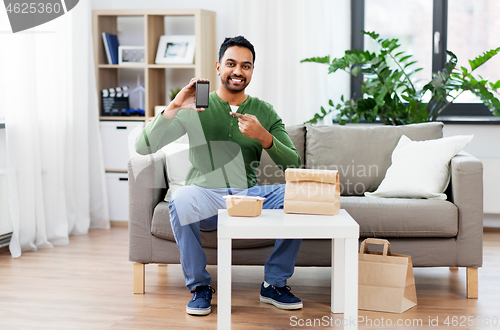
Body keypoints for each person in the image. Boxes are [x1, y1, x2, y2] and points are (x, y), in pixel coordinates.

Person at [135, 36, 303, 316]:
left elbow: (294, 164)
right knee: (182, 198)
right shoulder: (194, 107)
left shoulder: (264, 111)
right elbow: (144, 147)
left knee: (298, 195)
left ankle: (274, 284)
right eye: (231, 64)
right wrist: (175, 105)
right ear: (218, 67)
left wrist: (264, 136)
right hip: (204, 197)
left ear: (251, 71)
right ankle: (200, 287)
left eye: (246, 66)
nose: (238, 71)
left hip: (247, 198)